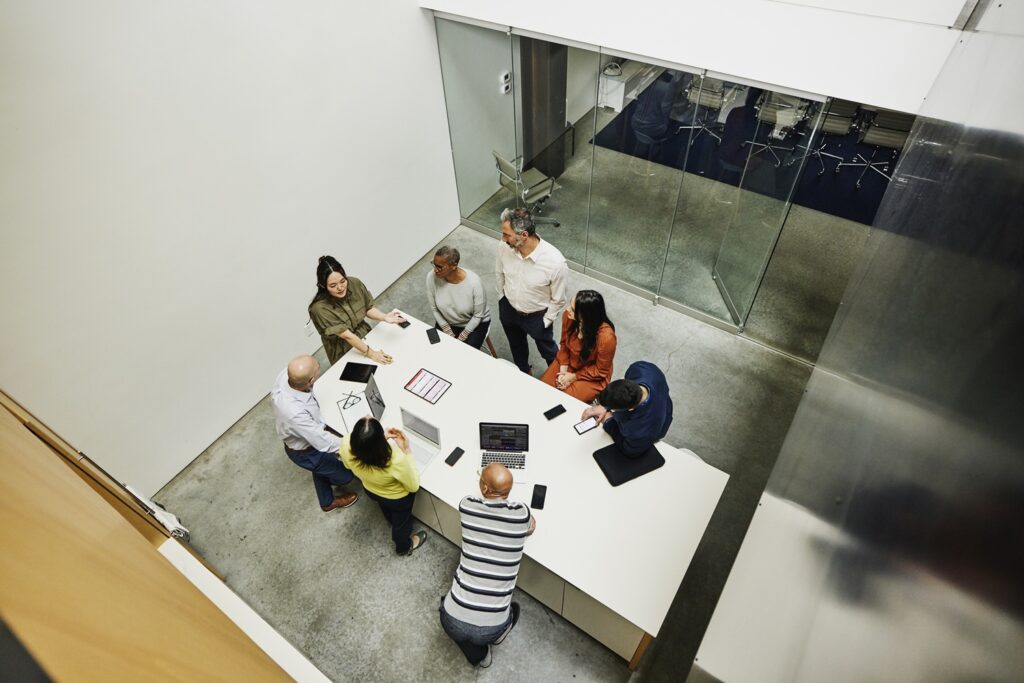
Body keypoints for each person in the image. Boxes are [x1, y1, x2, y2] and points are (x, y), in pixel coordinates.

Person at [439, 463, 535, 668]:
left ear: (483, 488)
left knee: (464, 635)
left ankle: (480, 657)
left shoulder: (466, 505)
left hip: (451, 620)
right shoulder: (521, 514)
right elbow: (531, 526)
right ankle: (496, 636)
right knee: (510, 611)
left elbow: (474, 500)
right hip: (492, 627)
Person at [270, 355, 359, 512]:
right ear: (310, 380)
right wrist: (356, 445)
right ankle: (329, 503)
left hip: (307, 440)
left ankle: (325, 500)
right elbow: (323, 442)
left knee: (321, 468)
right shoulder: (294, 412)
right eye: (318, 369)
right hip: (306, 452)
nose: (320, 366)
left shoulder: (288, 375)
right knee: (346, 476)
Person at [339, 417, 427, 555]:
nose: (370, 415)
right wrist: (407, 450)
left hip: (371, 490)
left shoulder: (345, 443)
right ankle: (404, 547)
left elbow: (347, 464)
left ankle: (390, 520)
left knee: (386, 508)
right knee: (401, 524)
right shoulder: (395, 460)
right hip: (398, 499)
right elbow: (413, 486)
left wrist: (375, 440)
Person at [495, 207, 569, 374]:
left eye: (507, 235)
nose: (502, 238)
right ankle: (524, 372)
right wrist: (502, 299)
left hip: (537, 317)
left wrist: (546, 321)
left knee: (548, 351)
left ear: (524, 236)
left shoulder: (555, 263)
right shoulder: (503, 246)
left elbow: (559, 299)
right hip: (509, 309)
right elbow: (499, 273)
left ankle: (556, 378)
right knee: (516, 346)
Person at [308, 255, 406, 366]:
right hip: (344, 350)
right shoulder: (320, 308)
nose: (340, 287)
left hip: (365, 336)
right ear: (323, 286)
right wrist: (372, 354)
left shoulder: (354, 283)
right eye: (333, 285)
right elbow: (346, 335)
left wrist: (384, 317)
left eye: (342, 281)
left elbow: (367, 308)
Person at [581, 361, 673, 458]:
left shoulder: (640, 431)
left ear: (630, 409)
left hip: (657, 426)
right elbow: (621, 391)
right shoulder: (641, 368)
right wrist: (604, 406)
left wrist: (608, 420)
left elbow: (629, 450)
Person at [540, 290, 617, 403]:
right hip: (570, 361)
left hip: (592, 374)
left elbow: (600, 371)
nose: (567, 310)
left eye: (573, 309)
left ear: (586, 316)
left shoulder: (606, 337)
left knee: (563, 401)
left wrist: (573, 377)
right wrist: (563, 373)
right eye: (570, 305)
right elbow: (564, 345)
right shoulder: (568, 316)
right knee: (543, 389)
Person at [425, 245, 491, 349]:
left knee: (464, 355)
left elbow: (478, 315)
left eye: (440, 267)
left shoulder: (474, 283)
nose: (435, 270)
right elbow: (434, 309)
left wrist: (461, 338)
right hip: (447, 322)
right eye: (434, 264)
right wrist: (447, 330)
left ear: (454, 265)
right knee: (436, 349)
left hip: (474, 324)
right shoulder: (431, 277)